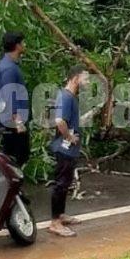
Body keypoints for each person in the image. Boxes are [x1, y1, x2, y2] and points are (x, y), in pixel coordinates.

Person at [48, 65, 89, 238]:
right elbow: (59, 121)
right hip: (64, 149)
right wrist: (70, 138)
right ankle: (55, 222)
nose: (87, 82)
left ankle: (61, 215)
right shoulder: (66, 97)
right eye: (85, 78)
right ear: (75, 78)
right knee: (61, 183)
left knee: (66, 182)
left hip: (69, 150)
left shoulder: (71, 96)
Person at [0, 31, 31, 168]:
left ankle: (11, 185)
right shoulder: (9, 69)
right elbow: (9, 95)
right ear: (17, 46)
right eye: (23, 42)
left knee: (14, 155)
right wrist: (18, 121)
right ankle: (10, 185)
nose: (25, 45)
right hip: (12, 122)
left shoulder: (7, 64)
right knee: (17, 156)